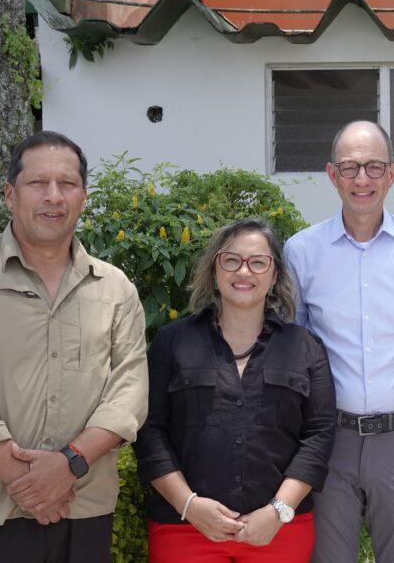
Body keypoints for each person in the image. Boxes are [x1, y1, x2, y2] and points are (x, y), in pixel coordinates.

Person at [0, 131, 149, 562]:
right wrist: (34, 484)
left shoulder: (116, 288)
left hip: (82, 511)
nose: (53, 196)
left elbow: (129, 395)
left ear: (83, 197)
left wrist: (69, 466)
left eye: (67, 184)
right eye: (37, 183)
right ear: (10, 194)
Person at [284, 120, 394, 563]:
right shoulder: (301, 252)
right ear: (331, 175)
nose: (361, 179)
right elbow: (293, 357)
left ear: (393, 173)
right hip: (330, 442)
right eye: (349, 167)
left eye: (373, 167)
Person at [133, 218, 336, 563]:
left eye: (258, 262)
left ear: (274, 276)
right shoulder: (172, 342)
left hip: (278, 530)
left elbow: (319, 435)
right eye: (231, 260)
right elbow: (148, 430)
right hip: (184, 528)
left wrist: (277, 511)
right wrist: (189, 505)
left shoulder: (305, 347)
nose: (244, 272)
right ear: (215, 270)